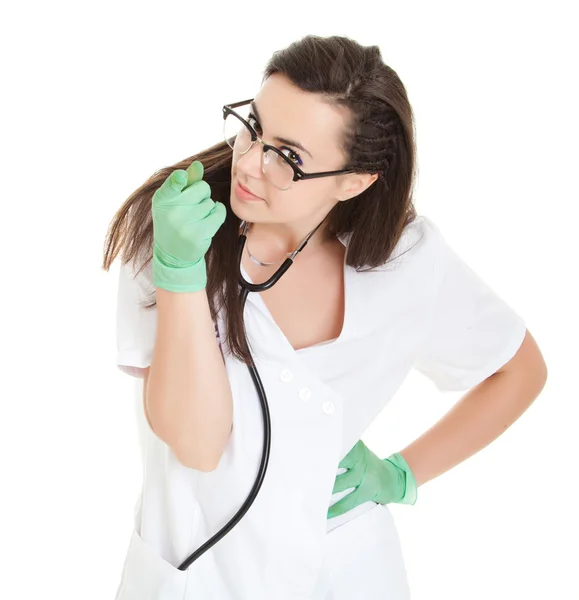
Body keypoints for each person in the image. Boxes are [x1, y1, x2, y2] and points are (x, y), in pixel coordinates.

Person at [102, 34, 547, 600]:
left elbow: (518, 370)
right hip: (196, 575)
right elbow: (197, 445)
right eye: (253, 127)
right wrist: (179, 273)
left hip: (349, 574)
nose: (250, 163)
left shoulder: (406, 258)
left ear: (355, 181)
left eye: (288, 157)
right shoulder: (174, 227)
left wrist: (400, 475)